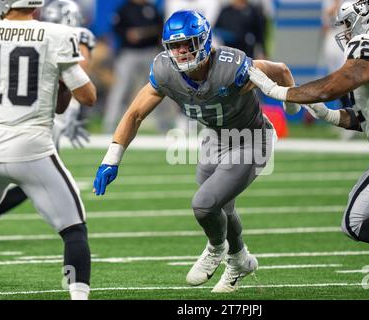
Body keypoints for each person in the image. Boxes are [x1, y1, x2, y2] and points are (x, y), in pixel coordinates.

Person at [248, 0, 369, 300]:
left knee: (355, 221)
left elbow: (334, 86)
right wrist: (328, 114)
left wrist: (278, 91)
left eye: (349, 24)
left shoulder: (368, 44)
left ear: (365, 19)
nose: (346, 32)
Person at [92, 10, 299, 293]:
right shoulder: (165, 70)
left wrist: (291, 107)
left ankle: (216, 249)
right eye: (174, 46)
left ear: (203, 40)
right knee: (221, 205)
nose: (180, 52)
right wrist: (111, 159)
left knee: (204, 204)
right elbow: (135, 114)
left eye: (186, 44)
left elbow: (282, 70)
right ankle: (240, 260)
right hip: (214, 137)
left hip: (251, 138)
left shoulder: (230, 66)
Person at [0, 0, 96, 300]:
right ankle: (77, 295)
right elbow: (87, 97)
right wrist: (62, 79)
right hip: (33, 150)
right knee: (73, 230)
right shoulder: (56, 34)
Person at [102, 0, 163, 133]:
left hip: (150, 52)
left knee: (159, 88)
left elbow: (160, 27)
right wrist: (127, 34)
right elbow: (116, 28)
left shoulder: (151, 8)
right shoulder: (124, 9)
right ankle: (110, 124)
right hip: (129, 53)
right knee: (120, 88)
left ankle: (163, 126)